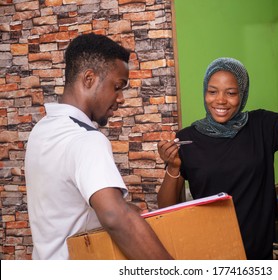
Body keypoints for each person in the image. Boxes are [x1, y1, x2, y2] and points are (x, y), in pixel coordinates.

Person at [157, 37, 278, 260]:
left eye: (231, 92)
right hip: (208, 251)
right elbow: (166, 206)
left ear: (243, 93)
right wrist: (173, 166)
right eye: (212, 91)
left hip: (257, 249)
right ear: (204, 92)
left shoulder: (261, 125)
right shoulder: (186, 138)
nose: (220, 100)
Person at [25, 33, 172, 260]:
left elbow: (65, 205)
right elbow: (114, 217)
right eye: (117, 86)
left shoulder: (42, 130)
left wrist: (119, 211)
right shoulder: (86, 138)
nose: (121, 98)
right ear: (89, 79)